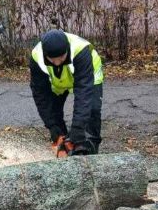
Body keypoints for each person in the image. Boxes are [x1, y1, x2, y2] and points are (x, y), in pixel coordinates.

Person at [29, 29, 104, 157]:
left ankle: (89, 149)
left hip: (88, 76)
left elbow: (83, 94)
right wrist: (52, 127)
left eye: (61, 58)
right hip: (58, 81)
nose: (57, 62)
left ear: (67, 50)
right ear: (45, 54)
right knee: (53, 111)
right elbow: (41, 95)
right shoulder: (36, 56)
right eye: (52, 60)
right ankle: (63, 142)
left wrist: (78, 130)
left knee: (92, 110)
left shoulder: (80, 50)